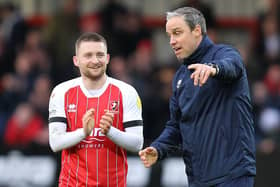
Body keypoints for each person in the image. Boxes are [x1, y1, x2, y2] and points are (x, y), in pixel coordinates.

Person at [139, 7, 256, 187]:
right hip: (198, 178)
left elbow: (233, 66)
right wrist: (158, 148)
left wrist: (213, 69)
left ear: (197, 30)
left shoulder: (225, 54)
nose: (172, 41)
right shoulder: (180, 77)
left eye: (177, 33)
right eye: (169, 35)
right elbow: (176, 125)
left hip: (232, 174)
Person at [48, 32, 143, 187]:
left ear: (107, 58)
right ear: (76, 60)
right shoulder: (61, 92)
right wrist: (84, 132)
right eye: (88, 55)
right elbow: (55, 143)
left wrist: (110, 131)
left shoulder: (126, 92)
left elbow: (137, 143)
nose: (95, 60)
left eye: (100, 55)